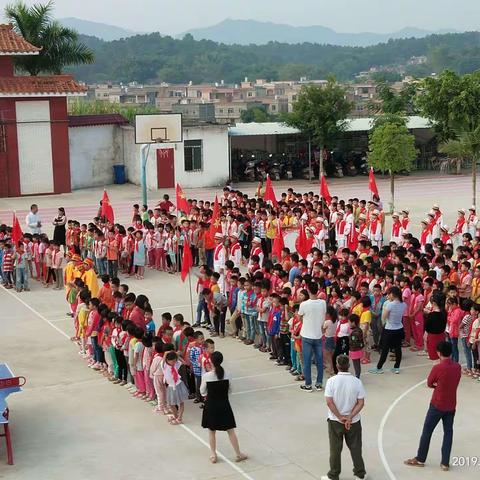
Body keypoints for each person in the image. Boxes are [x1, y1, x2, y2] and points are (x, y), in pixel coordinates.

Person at [404, 341, 462, 471]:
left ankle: (420, 458)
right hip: (451, 404)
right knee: (448, 432)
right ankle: (445, 462)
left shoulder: (438, 368)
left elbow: (430, 383)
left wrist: (437, 385)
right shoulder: (457, 367)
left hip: (437, 404)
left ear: (439, 353)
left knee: (427, 431)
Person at [322, 354, 367, 480]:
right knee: (356, 448)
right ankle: (360, 474)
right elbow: (361, 402)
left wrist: (340, 417)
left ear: (337, 366)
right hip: (354, 421)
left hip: (335, 421)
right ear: (348, 366)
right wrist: (350, 417)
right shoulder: (357, 382)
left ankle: (334, 475)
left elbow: (329, 402)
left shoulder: (331, 381)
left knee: (335, 449)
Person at [201, 351, 247, 464]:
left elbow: (202, 392)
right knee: (230, 430)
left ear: (211, 361)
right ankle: (238, 453)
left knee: (211, 431)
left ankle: (213, 454)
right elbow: (230, 390)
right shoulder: (228, 374)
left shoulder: (206, 376)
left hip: (211, 405)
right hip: (224, 405)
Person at [369, 286, 406, 374]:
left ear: (392, 294)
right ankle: (396, 367)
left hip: (389, 328)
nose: (388, 296)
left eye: (389, 294)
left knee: (385, 349)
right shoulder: (403, 304)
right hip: (399, 328)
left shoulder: (390, 304)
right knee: (398, 348)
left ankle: (379, 368)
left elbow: (384, 317)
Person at [299, 282, 326, 391]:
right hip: (318, 335)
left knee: (307, 361)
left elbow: (300, 317)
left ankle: (308, 384)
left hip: (306, 335)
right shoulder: (323, 303)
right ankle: (319, 383)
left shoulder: (304, 304)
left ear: (308, 291)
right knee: (319, 360)